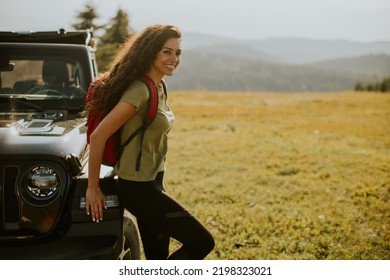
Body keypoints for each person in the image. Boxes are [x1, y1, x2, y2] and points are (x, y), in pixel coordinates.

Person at [85, 24, 214, 260]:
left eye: (178, 53)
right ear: (151, 52)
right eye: (167, 51)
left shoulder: (160, 86)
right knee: (202, 242)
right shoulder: (139, 91)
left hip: (154, 181)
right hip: (137, 188)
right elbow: (98, 135)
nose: (174, 58)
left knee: (156, 257)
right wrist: (92, 188)